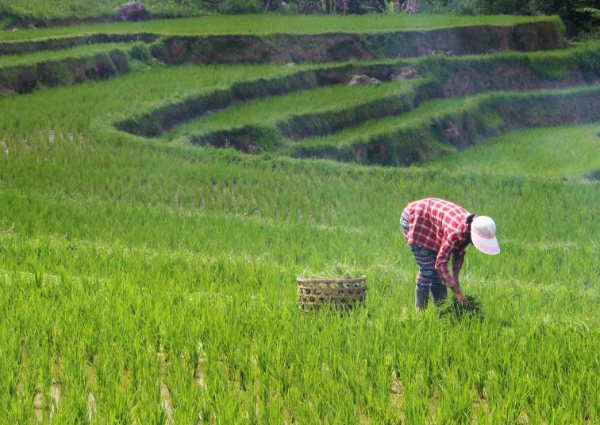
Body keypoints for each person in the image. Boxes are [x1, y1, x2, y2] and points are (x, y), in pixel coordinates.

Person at [400, 198, 500, 310]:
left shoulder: (469, 226)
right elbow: (440, 265)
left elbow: (458, 250)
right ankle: (420, 313)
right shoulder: (456, 232)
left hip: (431, 223)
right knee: (427, 269)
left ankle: (441, 309)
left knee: (436, 272)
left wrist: (455, 278)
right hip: (415, 218)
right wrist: (457, 293)